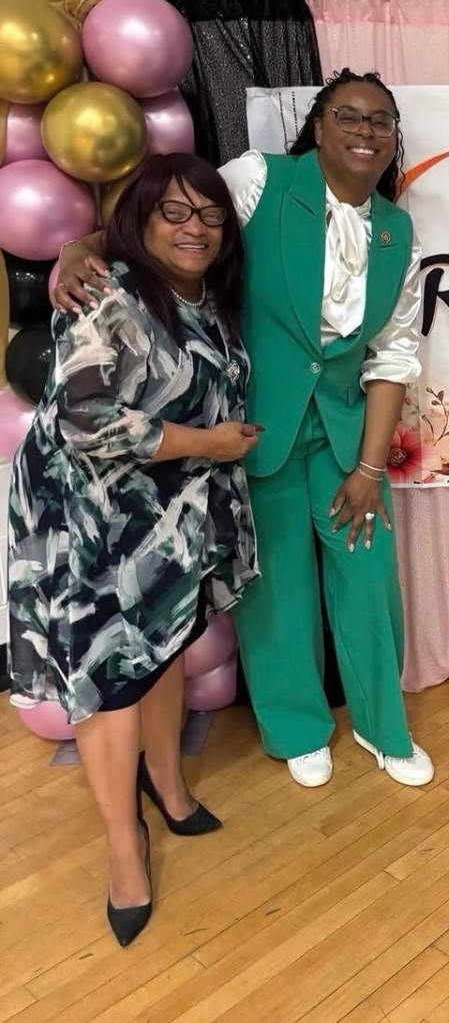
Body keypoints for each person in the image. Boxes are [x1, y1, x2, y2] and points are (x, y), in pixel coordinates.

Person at [53, 70, 433, 792]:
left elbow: (392, 357)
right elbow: (173, 225)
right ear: (318, 125)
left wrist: (369, 469)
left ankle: (383, 725)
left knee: (367, 579)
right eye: (348, 115)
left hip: (347, 433)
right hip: (253, 427)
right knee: (276, 584)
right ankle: (297, 728)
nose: (365, 130)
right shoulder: (260, 179)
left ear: (393, 138)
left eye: (380, 120)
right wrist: (81, 245)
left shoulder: (398, 232)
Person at [9, 154, 260, 947]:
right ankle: (125, 847)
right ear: (141, 221)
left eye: (209, 215)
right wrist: (209, 443)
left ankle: (167, 784)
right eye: (173, 213)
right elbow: (85, 423)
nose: (195, 228)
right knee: (112, 682)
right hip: (93, 526)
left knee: (164, 652)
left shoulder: (202, 295)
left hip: (166, 519)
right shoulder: (107, 295)